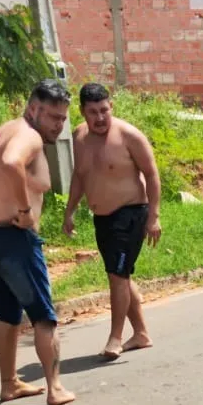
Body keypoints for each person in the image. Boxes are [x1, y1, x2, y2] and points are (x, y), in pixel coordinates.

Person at [0, 79, 75, 405]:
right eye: (53, 117)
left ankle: (9, 384)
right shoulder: (29, 137)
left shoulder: (3, 132)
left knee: (7, 314)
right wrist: (25, 212)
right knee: (44, 316)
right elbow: (12, 162)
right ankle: (55, 388)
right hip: (13, 240)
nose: (58, 124)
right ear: (33, 109)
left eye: (62, 118)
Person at [62, 83, 161, 361]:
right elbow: (80, 176)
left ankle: (115, 338)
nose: (100, 117)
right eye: (93, 112)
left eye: (104, 110)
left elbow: (152, 174)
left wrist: (154, 216)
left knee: (117, 277)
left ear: (111, 107)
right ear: (82, 112)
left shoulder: (129, 136)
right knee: (121, 275)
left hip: (130, 214)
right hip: (102, 219)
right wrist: (69, 211)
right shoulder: (79, 137)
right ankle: (141, 334)